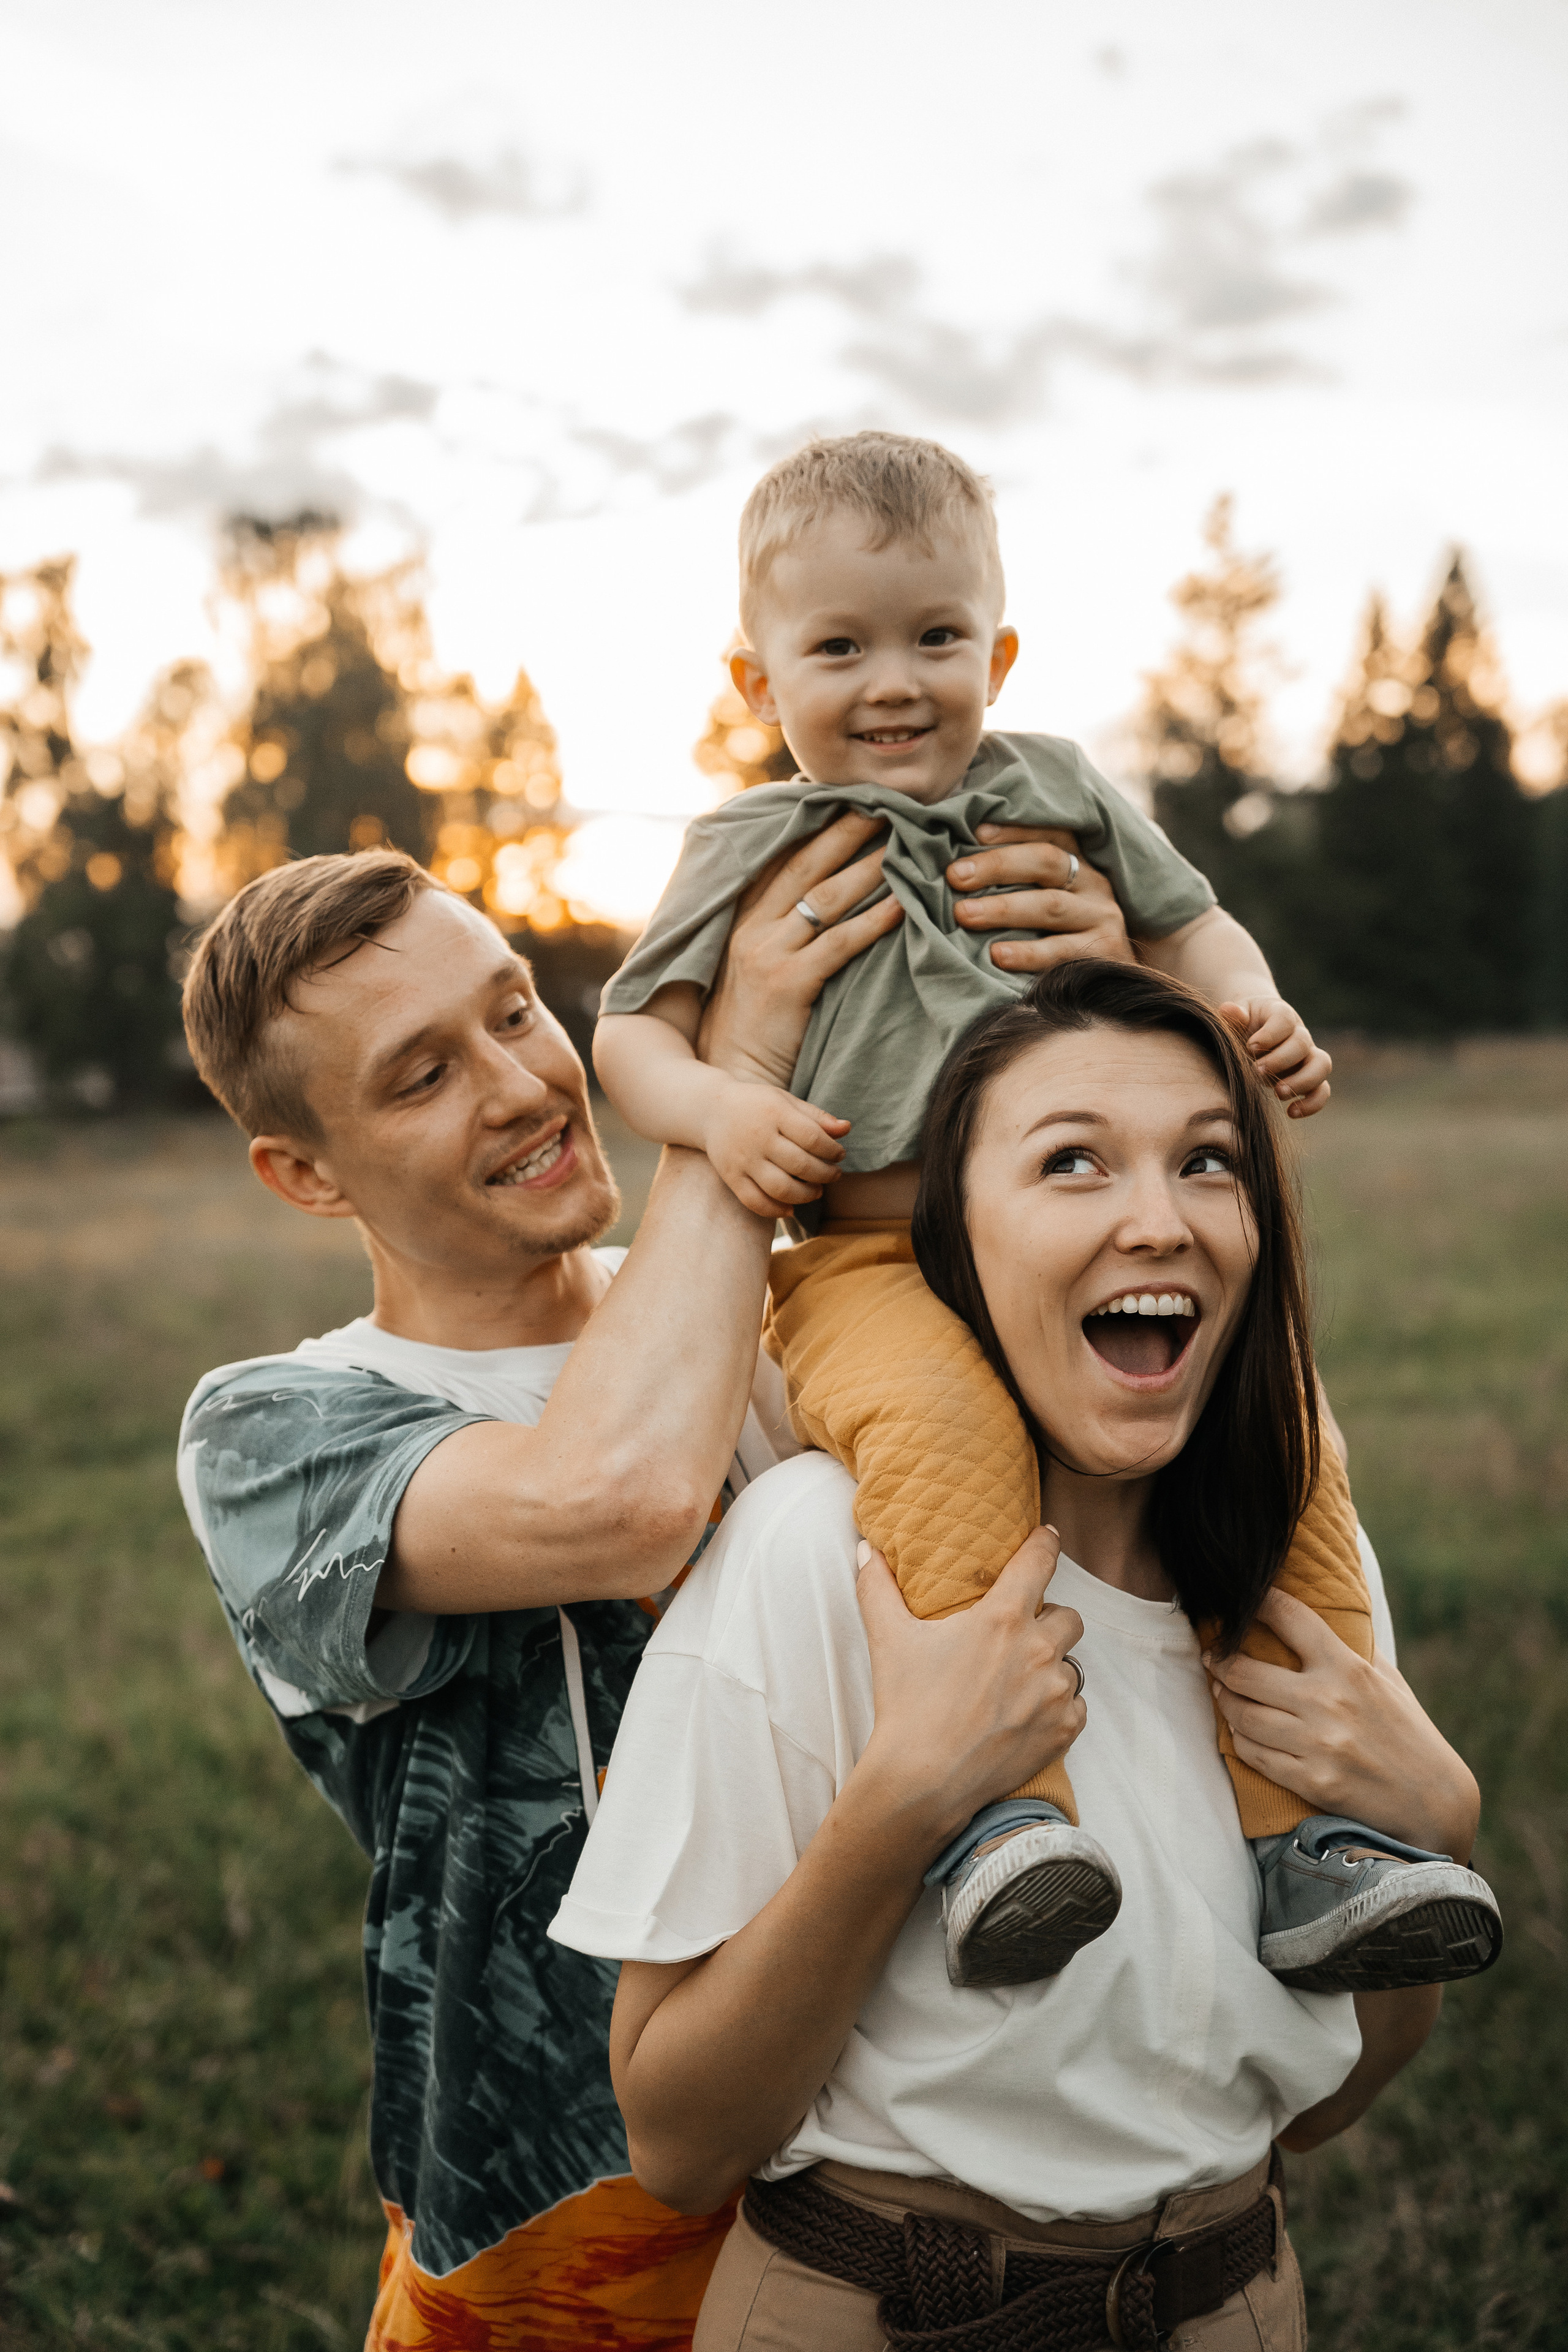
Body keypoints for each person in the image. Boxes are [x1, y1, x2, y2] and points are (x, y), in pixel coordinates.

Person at [173, 818, 1105, 2350]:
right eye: (421, 1075)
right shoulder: (274, 1432)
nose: (525, 1084)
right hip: (574, 2231)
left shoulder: (788, 1309)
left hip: (912, 2167)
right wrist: (727, 1068)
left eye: (515, 1007)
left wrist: (1093, 967)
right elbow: (625, 1499)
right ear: (302, 1174)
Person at [550, 961, 1498, 2351]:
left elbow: (1331, 2086)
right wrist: (904, 1802)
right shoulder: (825, 1555)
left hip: (1233, 2303)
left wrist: (1440, 1826)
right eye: (1071, 1163)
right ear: (956, 1238)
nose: (1157, 1221)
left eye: (1207, 1164)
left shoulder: (1293, 1573)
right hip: (875, 2311)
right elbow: (678, 2141)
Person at [591, 429, 1424, 1994]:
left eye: (935, 636)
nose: (893, 680)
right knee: (941, 1442)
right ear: (752, 676)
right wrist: (721, 1109)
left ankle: (1317, 1838)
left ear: (1001, 647)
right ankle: (1001, 1820)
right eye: (837, 646)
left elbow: (1194, 925)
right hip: (864, 1255)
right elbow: (631, 1034)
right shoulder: (742, 844)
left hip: (1064, 1230)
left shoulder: (1054, 789)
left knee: (1274, 1435)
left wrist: (1247, 1010)